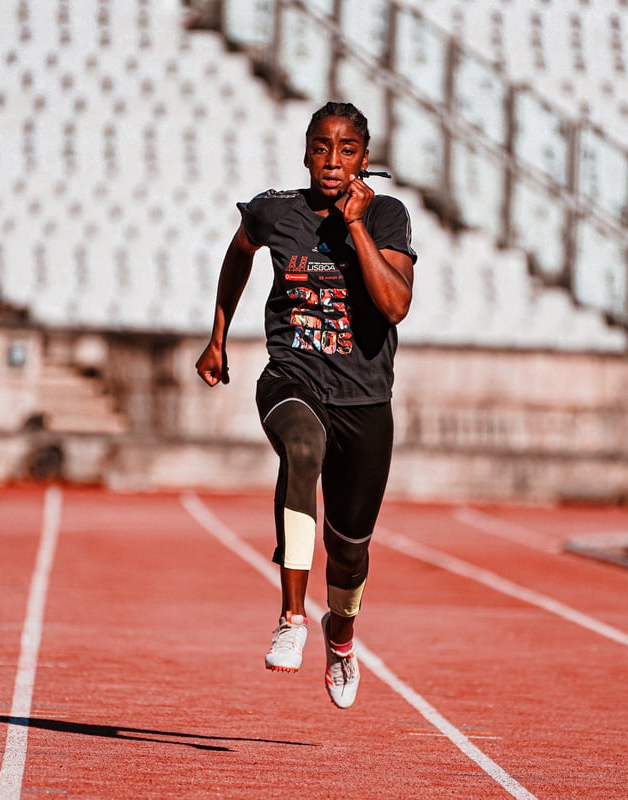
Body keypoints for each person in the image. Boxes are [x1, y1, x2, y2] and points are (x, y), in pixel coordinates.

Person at [195, 101, 416, 709]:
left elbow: (395, 305)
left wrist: (357, 228)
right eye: (322, 147)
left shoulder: (388, 216)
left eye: (347, 151)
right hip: (292, 376)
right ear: (306, 151)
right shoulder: (275, 212)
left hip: (366, 400)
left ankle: (338, 637)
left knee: (350, 552)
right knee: (301, 448)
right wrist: (217, 336)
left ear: (364, 160)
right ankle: (291, 617)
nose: (333, 161)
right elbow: (239, 253)